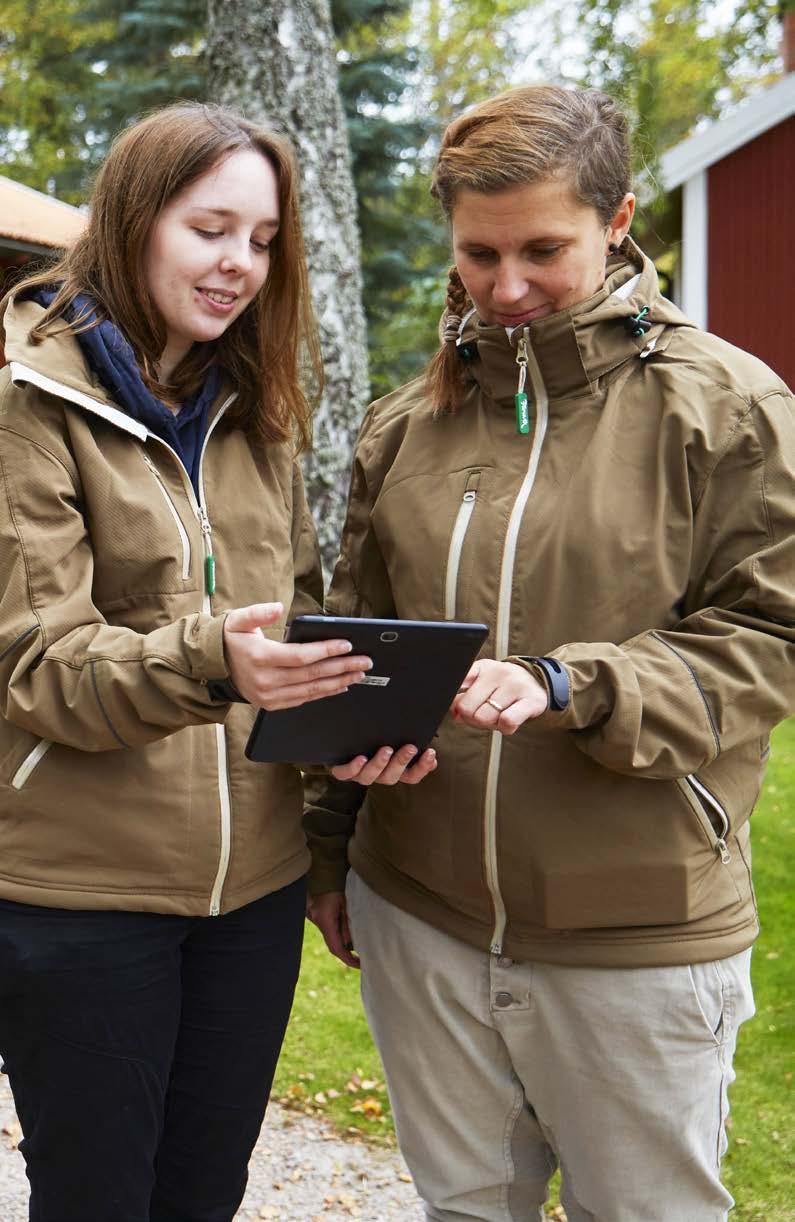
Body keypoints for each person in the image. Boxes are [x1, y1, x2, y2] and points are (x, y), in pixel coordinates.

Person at [305, 84, 795, 1222]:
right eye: (479, 253)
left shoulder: (728, 408)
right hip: (419, 913)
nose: (506, 286)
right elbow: (358, 640)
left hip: (638, 936)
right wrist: (334, 850)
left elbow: (771, 637)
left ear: (618, 219)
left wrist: (573, 680)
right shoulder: (405, 424)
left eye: (542, 249)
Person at [0, 102, 372, 1222]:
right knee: (100, 1199)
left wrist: (328, 821)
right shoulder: (26, 404)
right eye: (211, 229)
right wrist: (216, 660)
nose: (239, 266)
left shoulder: (256, 414)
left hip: (249, 897)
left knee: (203, 1194)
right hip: (80, 896)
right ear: (133, 219)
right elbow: (40, 669)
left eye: (262, 241)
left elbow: (299, 624)